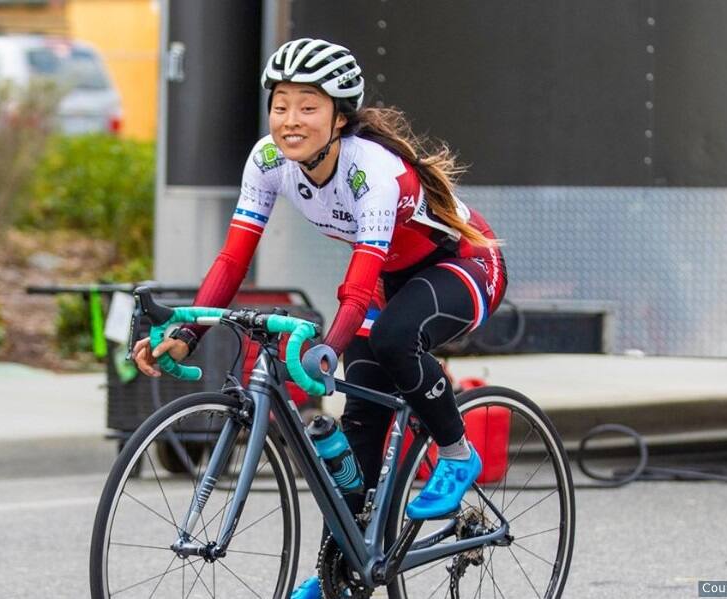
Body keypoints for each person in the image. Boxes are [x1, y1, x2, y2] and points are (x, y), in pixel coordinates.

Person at [132, 37, 507, 598]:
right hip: (386, 279)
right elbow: (233, 260)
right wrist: (188, 332)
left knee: (394, 336)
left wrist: (328, 346)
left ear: (340, 118)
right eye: (280, 105)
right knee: (359, 424)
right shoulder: (267, 161)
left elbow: (358, 284)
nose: (290, 120)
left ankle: (456, 452)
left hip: (463, 264)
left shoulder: (371, 170)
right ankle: (343, 571)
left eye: (308, 106)